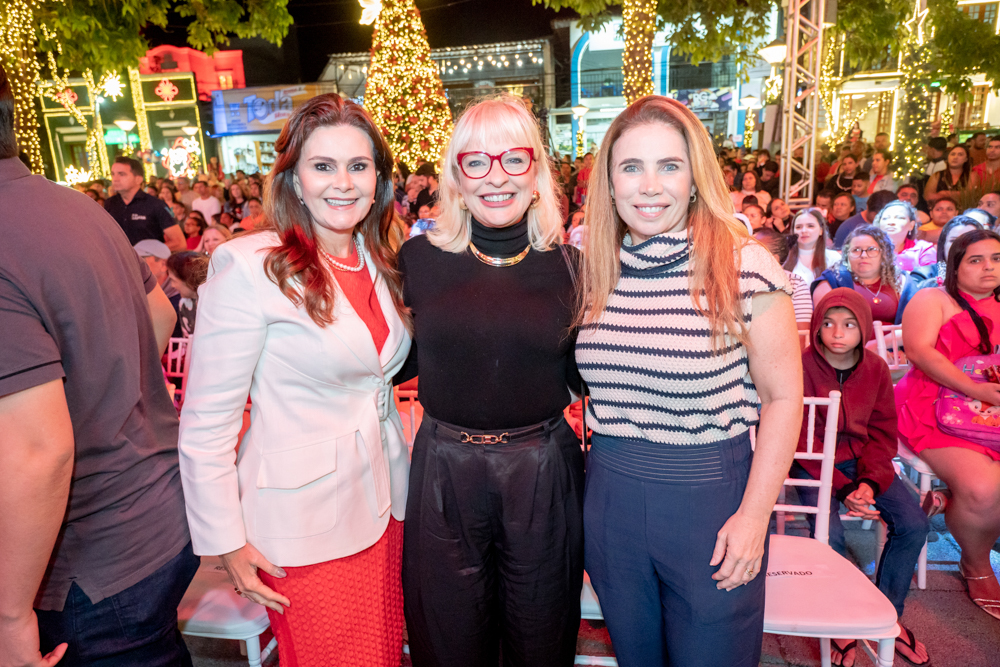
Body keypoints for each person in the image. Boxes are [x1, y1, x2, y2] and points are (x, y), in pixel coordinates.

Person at [178, 93, 412, 666]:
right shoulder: (250, 266)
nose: (343, 183)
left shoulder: (382, 257)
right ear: (294, 179)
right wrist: (226, 542)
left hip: (390, 508)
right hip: (303, 530)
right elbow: (206, 423)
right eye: (323, 166)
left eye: (358, 166)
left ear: (378, 178)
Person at [575, 95, 802, 666]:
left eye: (668, 166)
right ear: (609, 181)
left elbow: (783, 399)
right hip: (610, 502)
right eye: (631, 167)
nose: (649, 186)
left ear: (695, 176)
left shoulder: (743, 265)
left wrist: (754, 517)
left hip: (712, 501)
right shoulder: (594, 268)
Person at [0, 62, 194, 666]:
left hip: (88, 564)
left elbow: (39, 451)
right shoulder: (79, 208)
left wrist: (8, 616)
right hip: (161, 516)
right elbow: (158, 317)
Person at [397, 96, 584, 667]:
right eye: (476, 162)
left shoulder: (575, 268)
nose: (495, 176)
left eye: (513, 159)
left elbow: (594, 373)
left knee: (541, 640)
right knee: (447, 642)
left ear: (537, 172)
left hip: (542, 471)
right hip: (443, 470)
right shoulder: (417, 259)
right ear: (456, 176)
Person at [797, 289, 931, 667]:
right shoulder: (800, 366)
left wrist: (868, 482)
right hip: (812, 463)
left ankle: (886, 614)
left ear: (864, 329)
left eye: (849, 324)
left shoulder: (874, 368)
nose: (837, 333)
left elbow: (882, 433)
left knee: (912, 524)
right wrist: (845, 489)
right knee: (830, 535)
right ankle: (839, 618)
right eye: (828, 323)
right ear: (817, 327)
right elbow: (797, 439)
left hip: (865, 463)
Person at [896, 229, 1000, 623]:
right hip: (935, 408)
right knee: (983, 488)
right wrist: (979, 389)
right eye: (975, 259)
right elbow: (920, 352)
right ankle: (976, 565)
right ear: (955, 266)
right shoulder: (933, 298)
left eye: (995, 258)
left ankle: (943, 501)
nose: (988, 267)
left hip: (991, 409)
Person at [812, 224, 907, 328]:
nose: (863, 255)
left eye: (871, 249)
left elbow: (914, 327)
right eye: (856, 250)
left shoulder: (901, 281)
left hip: (895, 342)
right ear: (847, 255)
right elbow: (826, 328)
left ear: (884, 254)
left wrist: (879, 343)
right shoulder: (831, 282)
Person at [105, 156, 186, 251]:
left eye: (121, 174)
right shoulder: (110, 204)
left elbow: (179, 243)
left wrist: (147, 253)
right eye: (113, 174)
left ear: (138, 179)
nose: (115, 179)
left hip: (147, 264)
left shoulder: (154, 204)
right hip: (119, 263)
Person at [755, 227, 812, 322]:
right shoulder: (741, 281)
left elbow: (802, 334)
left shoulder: (795, 284)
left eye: (754, 252)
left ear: (773, 259)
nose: (746, 255)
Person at [873, 199, 936, 271]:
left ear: (911, 225)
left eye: (899, 217)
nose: (891, 222)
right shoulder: (867, 248)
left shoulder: (923, 249)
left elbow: (930, 277)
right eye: (885, 218)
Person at [785, 208, 841, 283]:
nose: (804, 230)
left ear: (821, 230)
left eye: (810, 226)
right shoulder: (784, 259)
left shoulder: (834, 259)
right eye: (798, 227)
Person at [166, 251, 208, 337]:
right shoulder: (185, 303)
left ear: (190, 281)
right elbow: (187, 343)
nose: (172, 285)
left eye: (174, 280)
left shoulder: (215, 304)